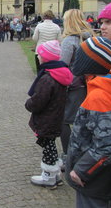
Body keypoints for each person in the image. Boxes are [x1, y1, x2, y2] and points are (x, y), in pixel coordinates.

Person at [65, 36, 111, 208]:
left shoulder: (100, 96)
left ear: (89, 63)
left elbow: (107, 144)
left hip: (94, 180)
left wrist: (81, 171)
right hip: (104, 177)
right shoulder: (103, 85)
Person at [25, 40, 73, 188]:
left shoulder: (48, 78)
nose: (38, 56)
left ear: (45, 58)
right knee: (49, 144)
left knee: (48, 146)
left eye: (39, 54)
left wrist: (29, 104)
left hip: (47, 118)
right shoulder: (59, 73)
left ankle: (49, 176)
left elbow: (39, 100)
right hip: (55, 116)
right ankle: (53, 173)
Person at [59, 9, 95, 166]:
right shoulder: (91, 38)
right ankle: (85, 151)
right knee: (86, 121)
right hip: (91, 85)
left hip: (74, 86)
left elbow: (63, 65)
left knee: (64, 120)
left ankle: (69, 155)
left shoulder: (70, 41)